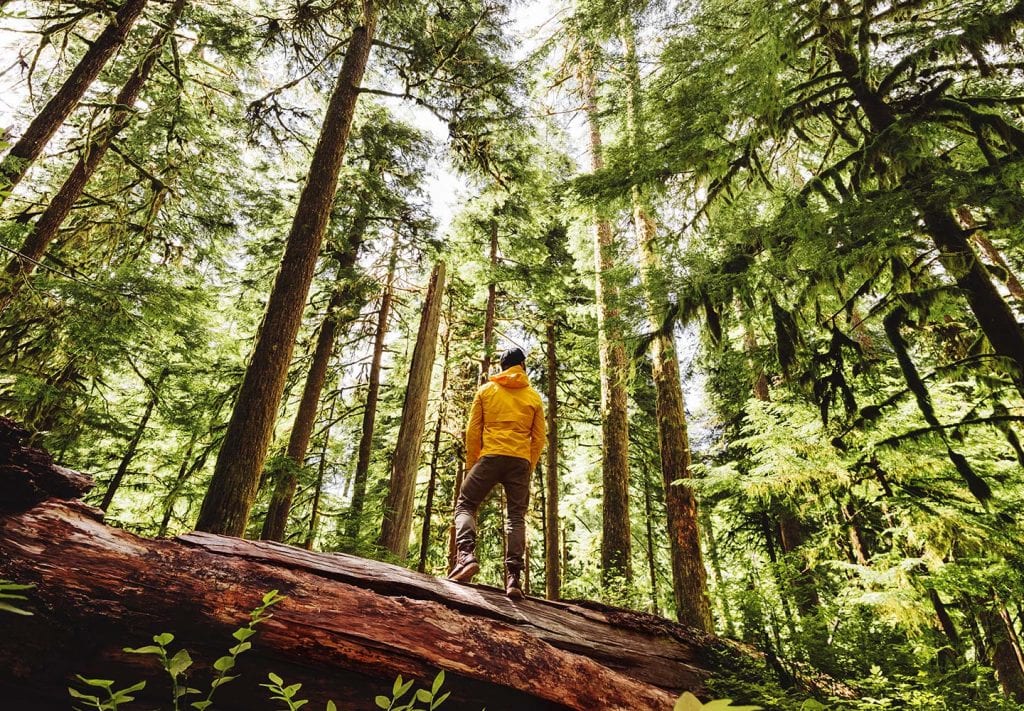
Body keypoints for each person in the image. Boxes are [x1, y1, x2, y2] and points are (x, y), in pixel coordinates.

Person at [448, 346, 546, 599]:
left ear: (501, 368)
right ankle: (514, 579)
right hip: (520, 462)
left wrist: (473, 464)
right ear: (522, 366)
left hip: (490, 456)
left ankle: (466, 556)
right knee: (516, 517)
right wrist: (529, 464)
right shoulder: (533, 397)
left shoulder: (486, 391)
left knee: (466, 504)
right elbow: (539, 438)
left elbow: (472, 432)